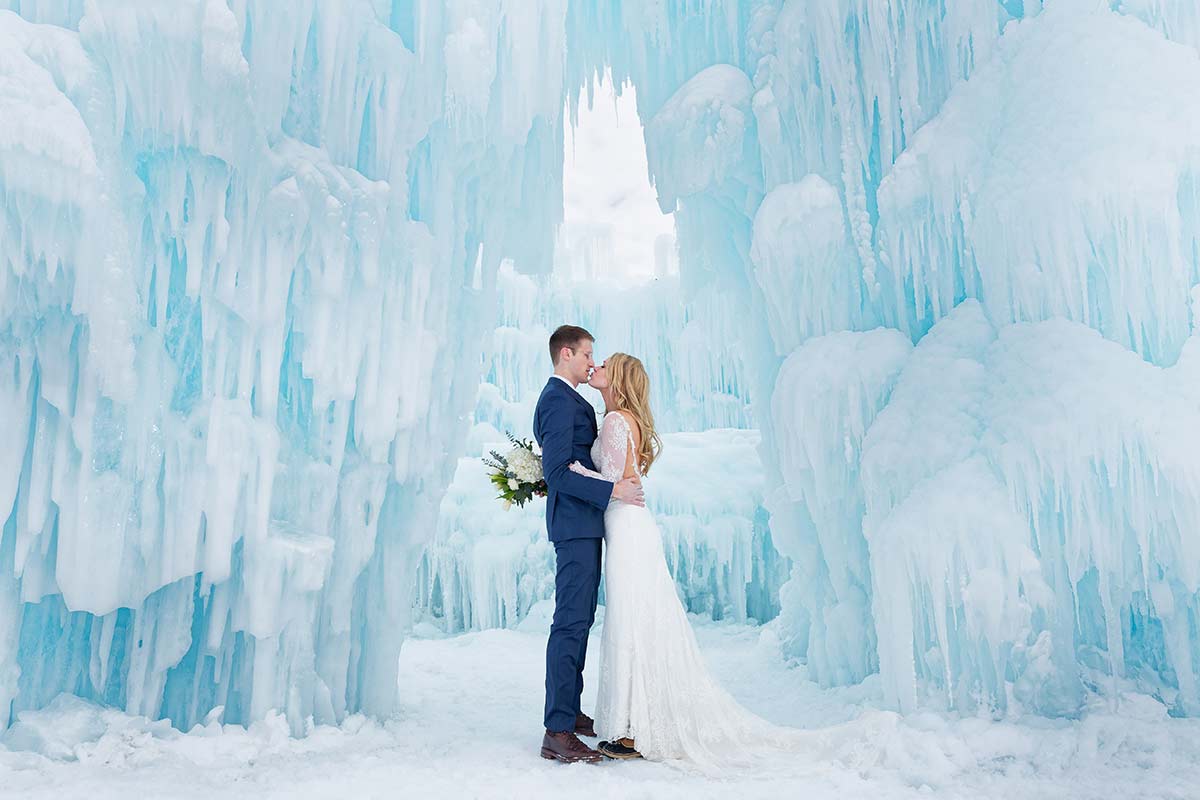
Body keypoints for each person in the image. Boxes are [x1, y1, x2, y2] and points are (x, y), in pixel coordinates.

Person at [569, 353, 806, 767]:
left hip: (625, 527)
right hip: (632, 526)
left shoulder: (613, 421)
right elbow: (622, 479)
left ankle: (632, 728)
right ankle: (637, 722)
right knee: (641, 617)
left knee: (630, 618)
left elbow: (612, 482)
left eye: (604, 364)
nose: (596, 368)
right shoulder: (626, 420)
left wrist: (569, 471)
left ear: (618, 377)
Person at [533, 325, 645, 764]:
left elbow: (567, 464)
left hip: (584, 524)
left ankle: (570, 712)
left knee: (578, 622)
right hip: (577, 526)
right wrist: (612, 492)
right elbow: (560, 470)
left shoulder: (567, 399)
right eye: (586, 355)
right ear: (566, 354)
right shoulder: (559, 399)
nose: (591, 363)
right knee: (570, 624)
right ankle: (557, 730)